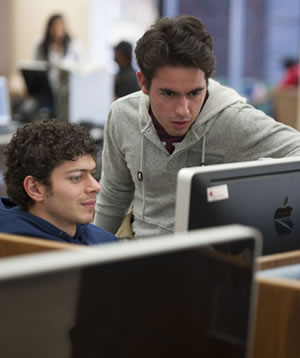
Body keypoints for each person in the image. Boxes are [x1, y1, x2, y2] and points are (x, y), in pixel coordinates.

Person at [93, 15, 300, 238]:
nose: (183, 109)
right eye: (169, 93)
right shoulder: (122, 115)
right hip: (141, 254)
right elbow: (114, 196)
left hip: (210, 260)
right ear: (143, 82)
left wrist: (248, 183)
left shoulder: (232, 120)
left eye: (194, 93)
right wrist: (89, 255)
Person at [0, 119, 118, 245]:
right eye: (76, 177)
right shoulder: (16, 252)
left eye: (93, 174)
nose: (96, 187)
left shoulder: (105, 241)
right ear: (35, 188)